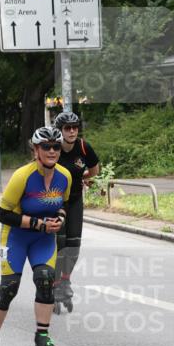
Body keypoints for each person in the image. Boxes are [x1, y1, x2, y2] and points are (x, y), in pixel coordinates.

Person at [0, 127, 74, 346]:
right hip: (15, 237)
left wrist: (60, 218)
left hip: (43, 240)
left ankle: (42, 337)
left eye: (56, 147)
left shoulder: (65, 176)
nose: (52, 151)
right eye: (46, 147)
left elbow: (64, 204)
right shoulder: (22, 176)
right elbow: (2, 214)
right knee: (9, 287)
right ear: (36, 150)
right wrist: (38, 224)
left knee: (46, 279)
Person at [51, 110, 101, 314]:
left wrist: (82, 177)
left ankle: (65, 281)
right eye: (67, 128)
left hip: (75, 201)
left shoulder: (83, 147)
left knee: (74, 245)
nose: (72, 131)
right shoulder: (53, 147)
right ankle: (54, 284)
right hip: (55, 202)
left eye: (75, 127)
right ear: (60, 130)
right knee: (60, 244)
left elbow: (95, 170)